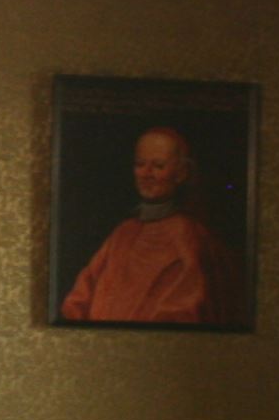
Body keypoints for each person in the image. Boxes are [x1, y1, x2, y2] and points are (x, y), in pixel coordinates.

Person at [61, 125, 244, 325]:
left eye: (158, 166)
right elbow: (79, 297)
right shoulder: (124, 232)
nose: (146, 174)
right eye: (140, 164)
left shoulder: (188, 236)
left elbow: (185, 312)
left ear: (181, 173)